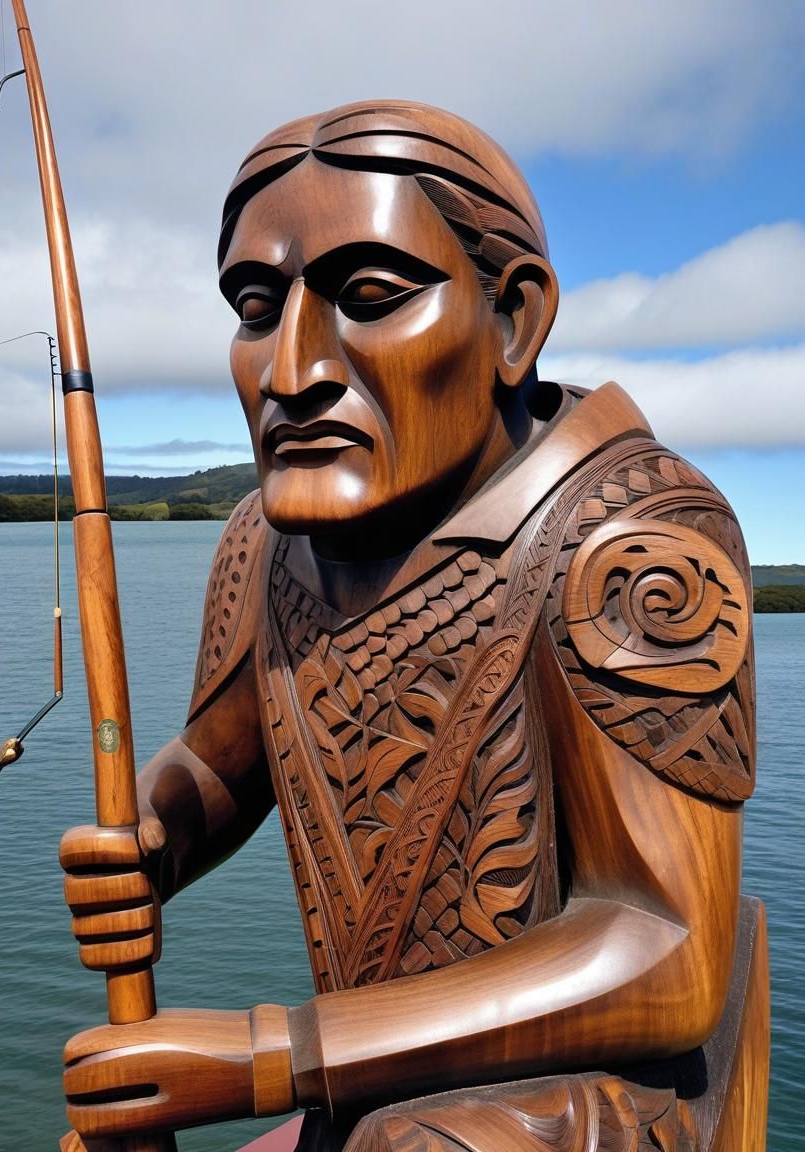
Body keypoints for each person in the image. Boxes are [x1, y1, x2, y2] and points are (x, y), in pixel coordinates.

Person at [59, 102, 766, 1151]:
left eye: (371, 299)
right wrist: (154, 834)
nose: (292, 372)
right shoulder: (265, 543)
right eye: (255, 309)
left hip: (590, 1086)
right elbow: (219, 761)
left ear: (513, 319)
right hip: (382, 1075)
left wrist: (273, 1055)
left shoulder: (631, 540)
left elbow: (663, 944)